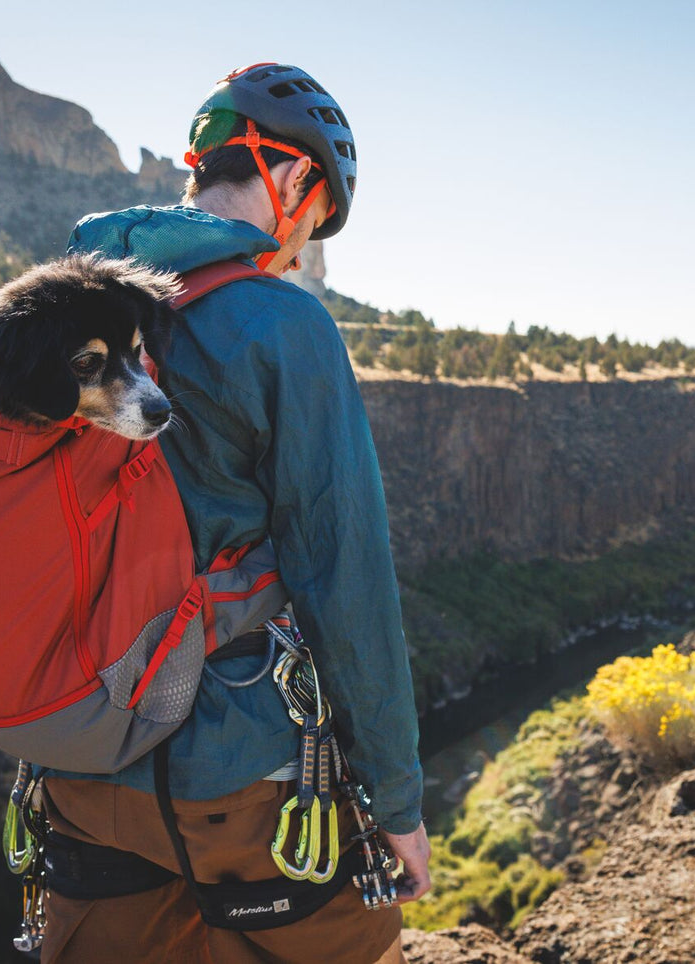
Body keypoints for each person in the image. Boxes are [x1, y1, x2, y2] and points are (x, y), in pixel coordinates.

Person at [39, 63, 430, 964]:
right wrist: (396, 802)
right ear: (292, 177)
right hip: (237, 774)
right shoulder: (282, 324)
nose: (298, 250)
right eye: (314, 219)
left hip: (80, 759)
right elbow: (347, 576)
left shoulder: (62, 308)